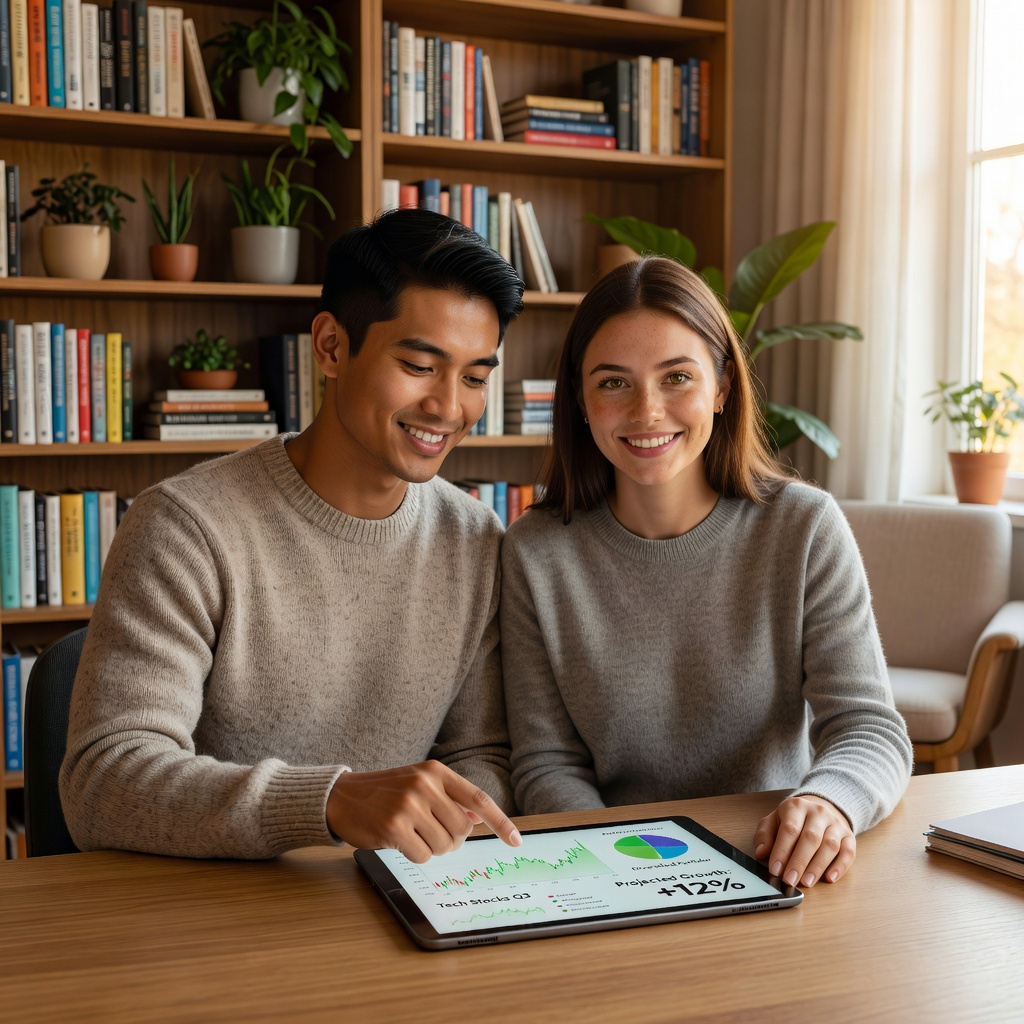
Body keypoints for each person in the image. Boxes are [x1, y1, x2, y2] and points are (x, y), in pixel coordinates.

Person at [60, 209, 526, 862]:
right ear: (332, 346)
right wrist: (330, 803)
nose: (451, 407)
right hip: (216, 921)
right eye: (421, 366)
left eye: (476, 377)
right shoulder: (186, 527)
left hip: (395, 905)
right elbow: (103, 782)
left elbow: (481, 753)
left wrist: (455, 829)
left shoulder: (474, 539)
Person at [501, 256, 912, 890]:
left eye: (677, 377)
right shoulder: (533, 551)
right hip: (607, 869)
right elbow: (544, 762)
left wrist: (831, 803)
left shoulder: (803, 527)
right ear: (580, 400)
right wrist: (629, 863)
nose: (647, 410)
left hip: (778, 864)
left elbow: (868, 727)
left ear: (721, 388)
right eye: (613, 382)